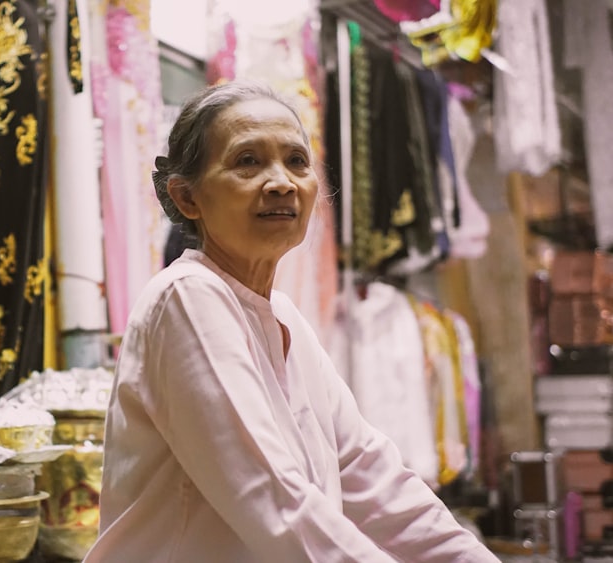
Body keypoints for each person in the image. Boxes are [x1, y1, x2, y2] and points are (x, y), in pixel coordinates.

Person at [83, 82, 499, 562]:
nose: (281, 181)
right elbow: (275, 498)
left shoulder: (284, 318)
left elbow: (373, 478)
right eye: (247, 162)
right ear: (187, 197)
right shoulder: (187, 299)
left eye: (297, 162)